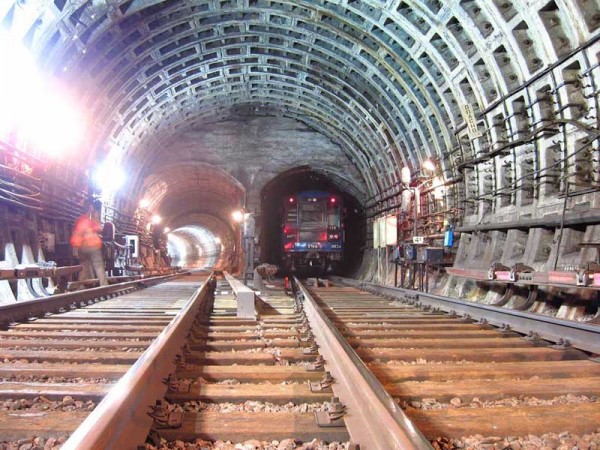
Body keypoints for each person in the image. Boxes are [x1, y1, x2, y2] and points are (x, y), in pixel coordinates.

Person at [70, 200, 108, 286]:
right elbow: (99, 228)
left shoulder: (80, 220)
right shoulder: (90, 220)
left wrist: (76, 247)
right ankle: (104, 285)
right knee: (98, 266)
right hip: (93, 246)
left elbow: (76, 234)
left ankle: (83, 286)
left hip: (83, 247)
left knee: (84, 267)